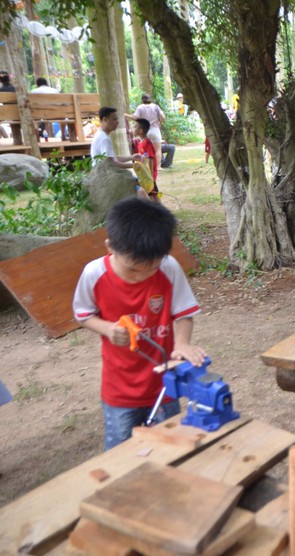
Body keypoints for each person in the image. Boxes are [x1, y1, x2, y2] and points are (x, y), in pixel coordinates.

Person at [72, 198, 206, 450]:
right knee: (121, 451)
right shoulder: (94, 274)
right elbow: (83, 315)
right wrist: (108, 329)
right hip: (120, 389)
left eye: (151, 268)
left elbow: (184, 312)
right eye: (133, 270)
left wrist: (182, 343)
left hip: (164, 384)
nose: (143, 276)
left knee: (169, 446)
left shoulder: (168, 268)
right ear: (110, 247)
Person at [126, 93, 165, 175]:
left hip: (144, 131)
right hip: (155, 129)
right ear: (150, 98)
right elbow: (163, 117)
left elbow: (135, 117)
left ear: (142, 99)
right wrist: (159, 121)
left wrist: (126, 115)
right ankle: (158, 167)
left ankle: (144, 166)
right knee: (158, 149)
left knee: (143, 150)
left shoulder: (140, 107)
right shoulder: (155, 106)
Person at [133, 118, 160, 202]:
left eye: (134, 127)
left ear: (140, 131)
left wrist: (151, 175)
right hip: (145, 174)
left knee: (153, 194)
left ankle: (159, 210)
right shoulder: (140, 142)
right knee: (151, 193)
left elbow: (151, 159)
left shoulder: (147, 142)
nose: (132, 129)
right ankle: (158, 210)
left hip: (149, 175)